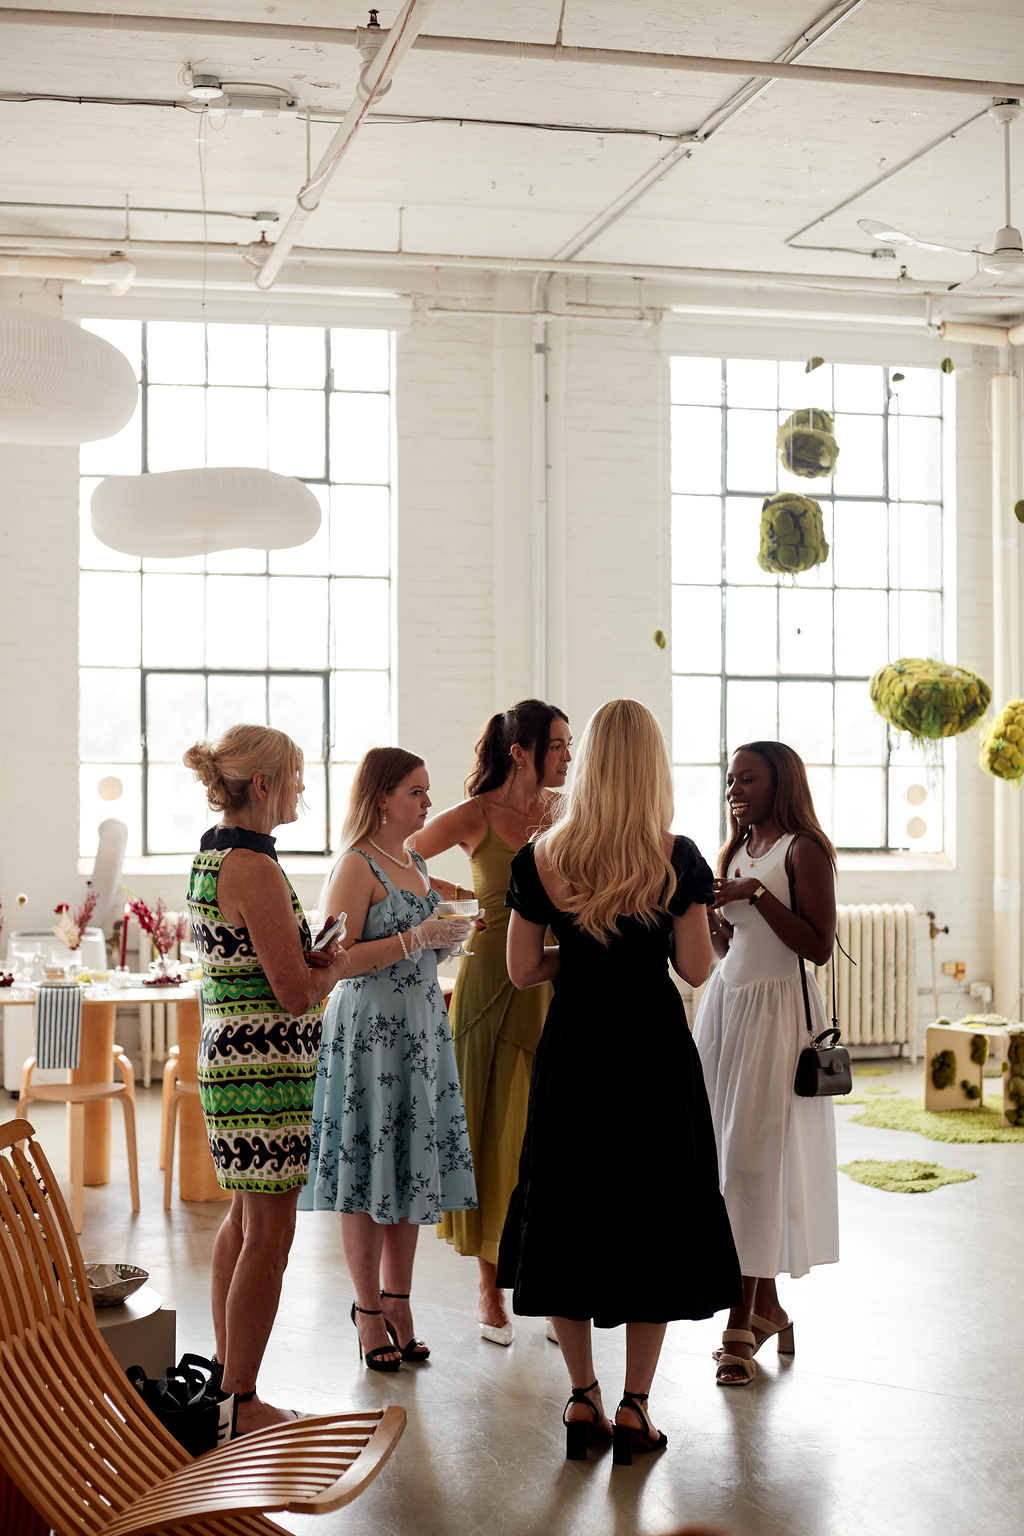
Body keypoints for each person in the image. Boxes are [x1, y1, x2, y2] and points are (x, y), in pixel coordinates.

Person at [497, 699, 742, 1465]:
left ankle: (582, 1396)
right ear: (652, 769)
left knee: (568, 1208)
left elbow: (522, 969)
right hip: (651, 1051)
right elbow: (695, 968)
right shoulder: (677, 856)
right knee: (654, 1213)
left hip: (575, 1049)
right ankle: (637, 1406)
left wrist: (587, 957)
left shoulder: (541, 856)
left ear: (592, 764)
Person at [183, 724, 350, 1434]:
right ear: (263, 785)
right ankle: (244, 1403)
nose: (302, 792)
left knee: (245, 1223)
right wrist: (335, 965)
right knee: (270, 1236)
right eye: (297, 779)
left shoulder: (214, 854)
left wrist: (308, 955)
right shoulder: (251, 866)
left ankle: (228, 1384)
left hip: (237, 1061)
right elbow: (291, 993)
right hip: (262, 1075)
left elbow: (256, 963)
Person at [298, 748, 478, 1371]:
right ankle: (366, 1309)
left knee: (410, 1164)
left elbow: (419, 950)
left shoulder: (417, 862)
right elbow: (334, 958)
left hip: (423, 1026)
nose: (428, 803)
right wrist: (414, 938)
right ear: (380, 797)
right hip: (372, 1031)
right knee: (368, 1164)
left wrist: (444, 941)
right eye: (416, 792)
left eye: (428, 791)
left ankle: (399, 1301)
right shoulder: (358, 863)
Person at [408, 699, 571, 1345]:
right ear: (520, 751)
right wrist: (457, 900)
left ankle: (554, 1284)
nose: (567, 756)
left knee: (551, 1136)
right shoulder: (476, 814)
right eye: (557, 744)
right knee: (493, 1137)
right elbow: (398, 856)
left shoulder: (565, 814)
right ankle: (488, 1290)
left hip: (555, 979)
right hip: (486, 986)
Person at [693, 741, 839, 1387]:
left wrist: (755, 894)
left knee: (754, 1160)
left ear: (780, 781)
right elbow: (731, 944)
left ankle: (739, 1323)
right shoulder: (733, 851)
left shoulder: (803, 850)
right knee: (723, 1157)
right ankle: (769, 1306)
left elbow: (818, 945)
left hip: (779, 1016)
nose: (734, 788)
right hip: (727, 1007)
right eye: (730, 779)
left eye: (747, 778)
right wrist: (716, 916)